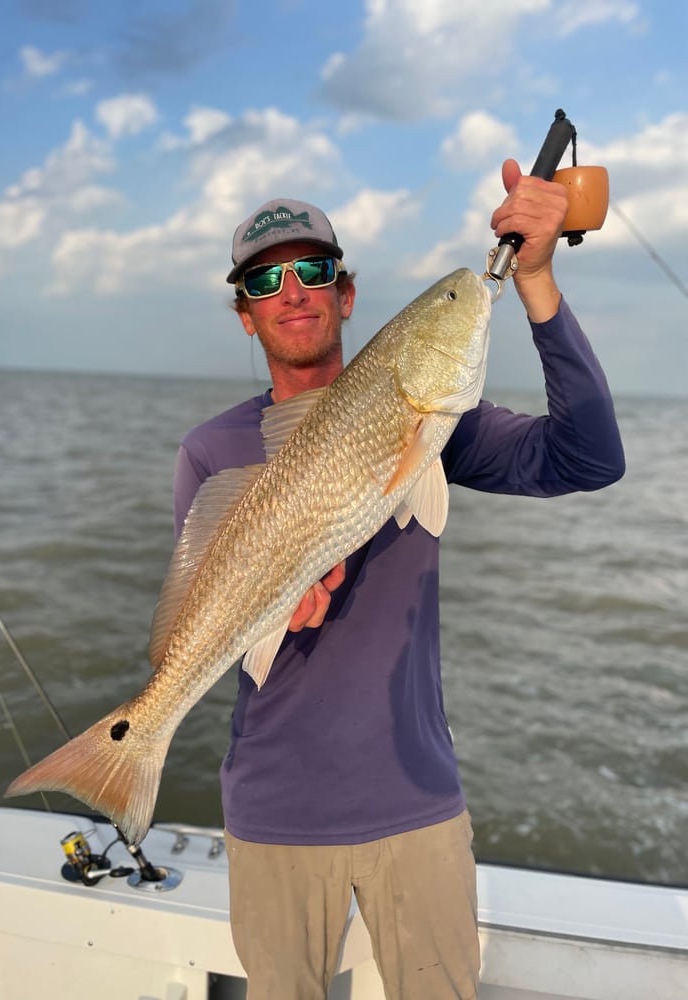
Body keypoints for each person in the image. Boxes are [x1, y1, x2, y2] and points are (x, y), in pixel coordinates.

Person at [172, 162, 625, 1000]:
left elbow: (591, 457)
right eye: (267, 280)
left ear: (346, 296)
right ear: (246, 315)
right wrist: (269, 611)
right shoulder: (210, 451)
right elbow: (209, 616)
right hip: (274, 813)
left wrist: (536, 280)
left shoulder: (432, 418)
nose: (294, 291)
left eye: (314, 271)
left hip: (416, 803)